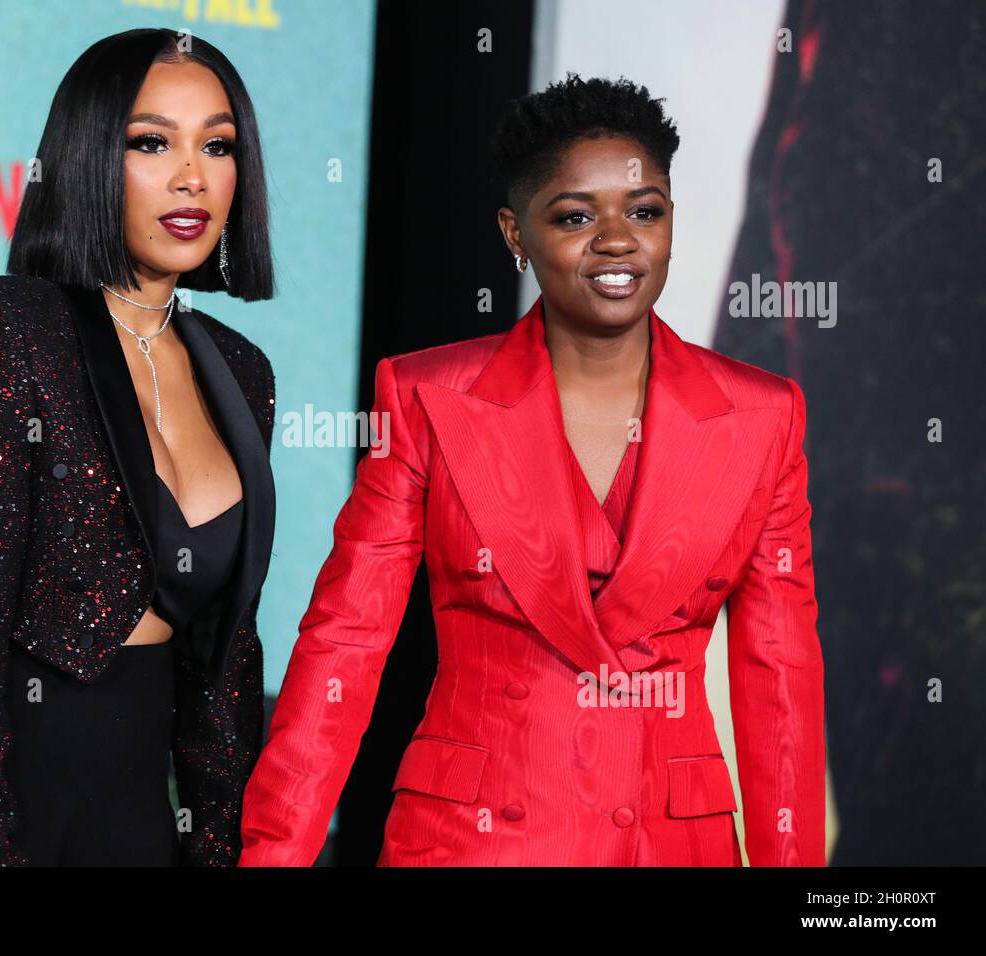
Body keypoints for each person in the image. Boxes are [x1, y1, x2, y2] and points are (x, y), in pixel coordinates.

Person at [238, 74, 826, 866]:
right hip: (469, 841)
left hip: (668, 843)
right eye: (576, 216)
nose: (618, 240)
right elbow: (345, 643)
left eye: (644, 211)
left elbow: (780, 678)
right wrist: (274, 856)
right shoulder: (426, 396)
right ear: (516, 234)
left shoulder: (762, 415)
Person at [0, 27, 276, 866]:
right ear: (83, 158)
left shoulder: (240, 371)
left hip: (139, 813)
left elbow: (226, 663)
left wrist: (225, 846)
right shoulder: (0, 329)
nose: (192, 176)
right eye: (151, 142)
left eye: (217, 145)